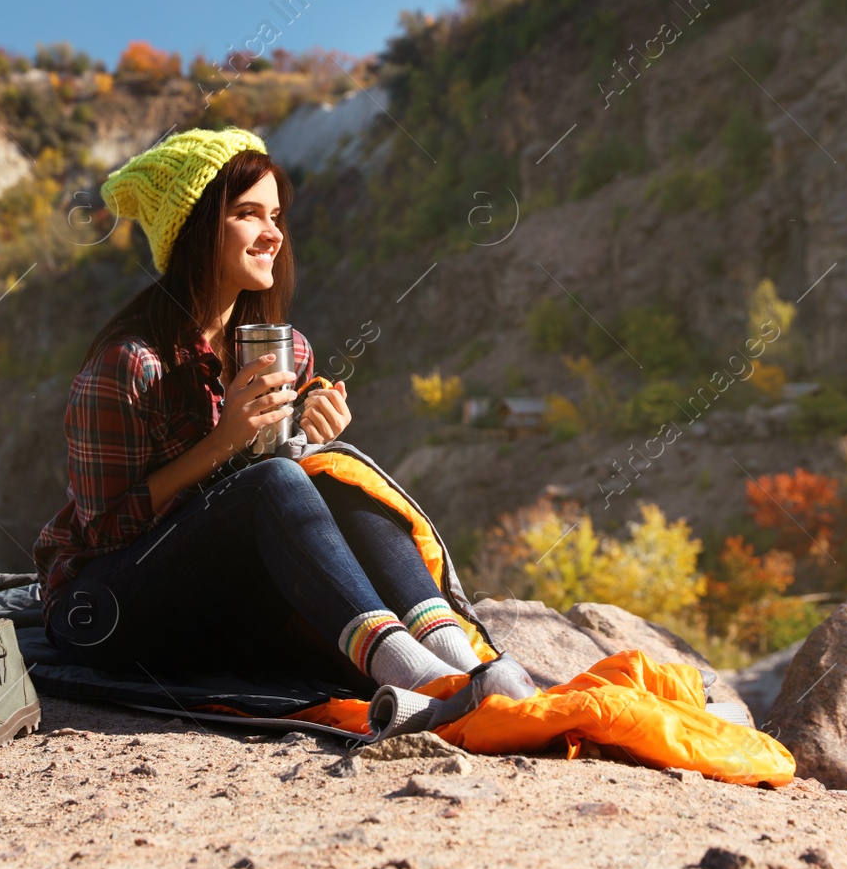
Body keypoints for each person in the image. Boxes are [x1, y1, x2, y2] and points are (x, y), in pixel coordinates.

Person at [33, 127, 535, 708]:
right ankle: (423, 681)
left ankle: (462, 662)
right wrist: (224, 443)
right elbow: (103, 530)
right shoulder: (128, 364)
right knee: (270, 480)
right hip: (103, 610)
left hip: (222, 598)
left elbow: (281, 491)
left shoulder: (285, 351)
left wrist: (310, 430)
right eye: (249, 214)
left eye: (276, 215)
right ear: (194, 229)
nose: (272, 234)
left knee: (335, 473)